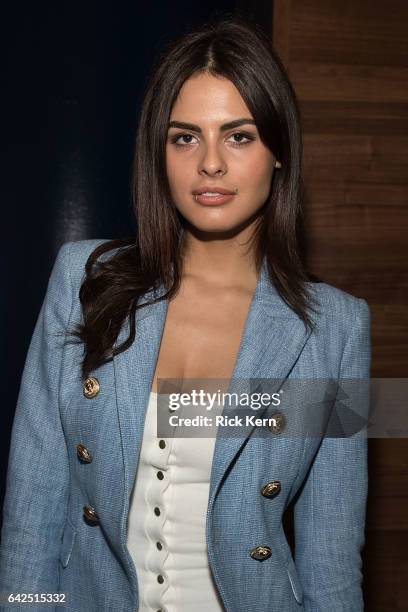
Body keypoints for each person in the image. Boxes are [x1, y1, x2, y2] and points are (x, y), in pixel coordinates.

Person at [0, 15, 371, 612]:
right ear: (160, 152)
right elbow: (32, 510)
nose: (211, 164)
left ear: (279, 153)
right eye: (185, 137)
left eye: (240, 135)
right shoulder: (84, 279)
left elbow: (330, 559)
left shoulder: (334, 331)